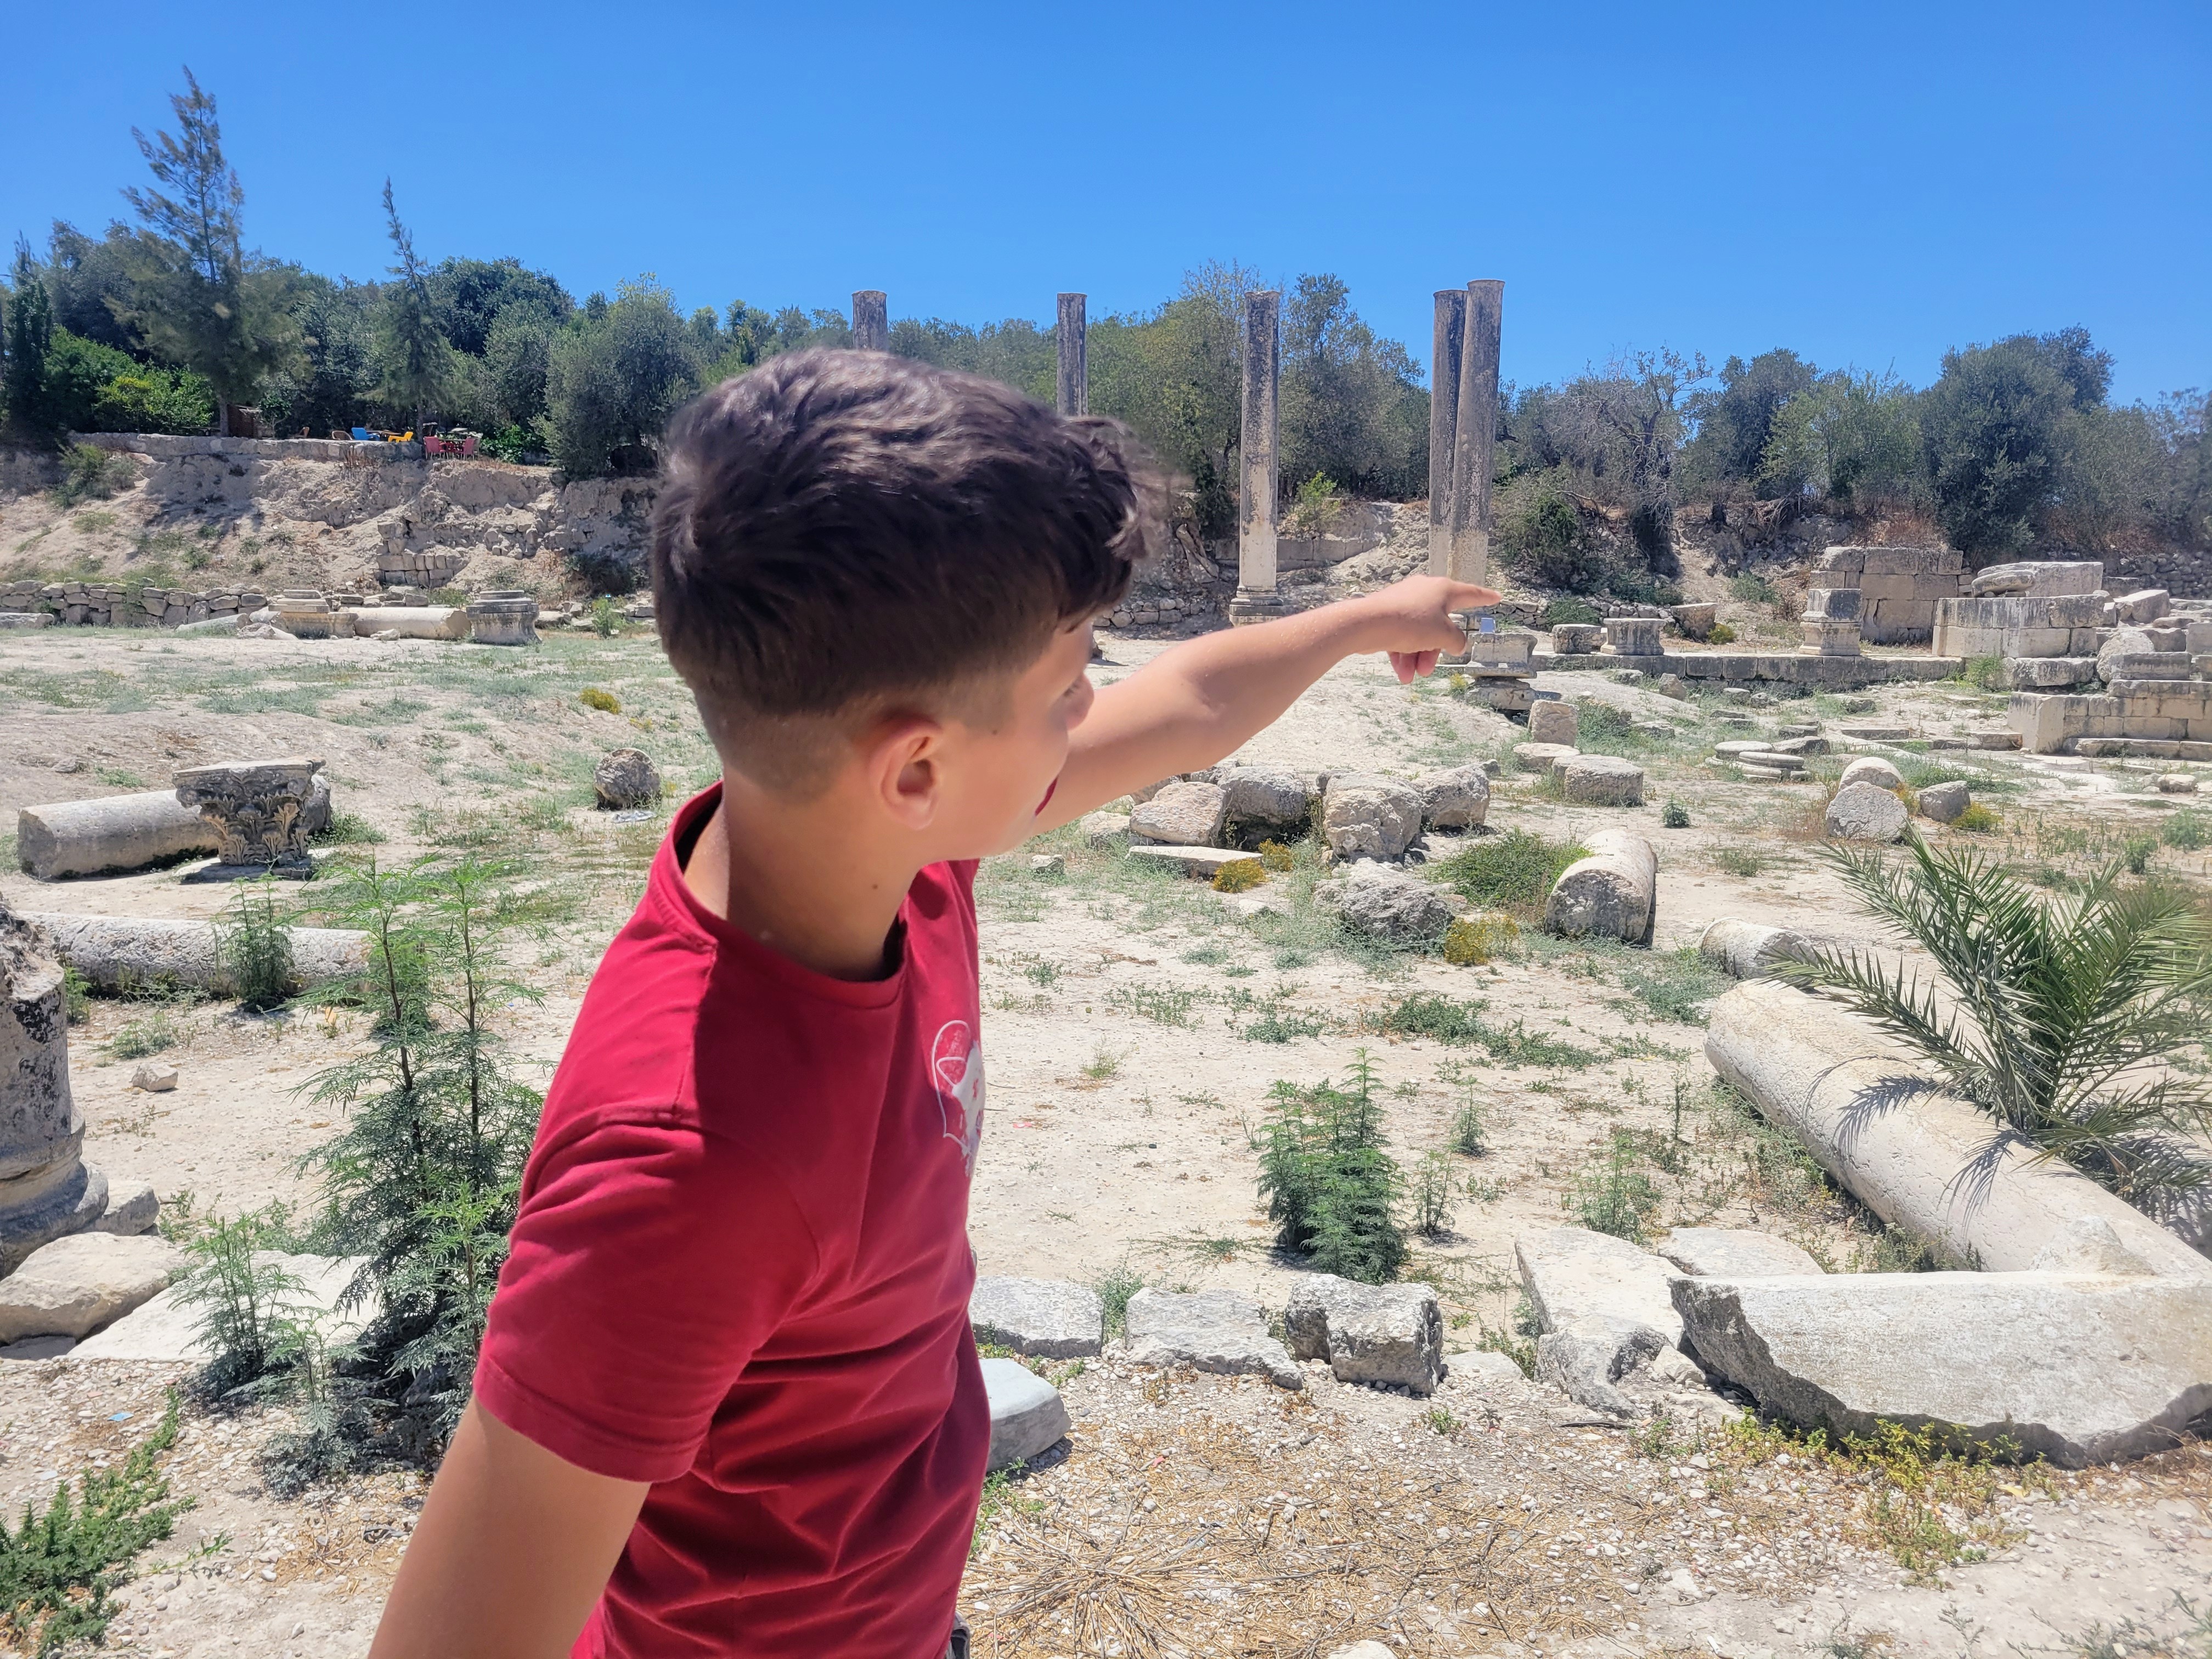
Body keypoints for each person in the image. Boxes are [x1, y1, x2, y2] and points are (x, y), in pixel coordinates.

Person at [367, 349, 1498, 1659]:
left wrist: (1365, 620)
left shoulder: (884, 855)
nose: (1091, 707)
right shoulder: (679, 1173)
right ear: (917, 766)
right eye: (1066, 685)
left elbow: (1187, 702)